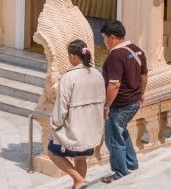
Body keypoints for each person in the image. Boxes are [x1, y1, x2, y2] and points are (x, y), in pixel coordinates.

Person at [48, 39, 105, 189]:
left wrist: (55, 124)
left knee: (52, 152)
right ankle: (78, 184)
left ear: (73, 56)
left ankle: (78, 179)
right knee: (81, 158)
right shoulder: (97, 74)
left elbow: (62, 106)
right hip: (92, 127)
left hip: (74, 128)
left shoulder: (69, 77)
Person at [99, 20, 148, 184]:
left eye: (104, 38)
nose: (104, 42)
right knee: (121, 131)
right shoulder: (137, 50)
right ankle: (131, 163)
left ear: (112, 37)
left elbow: (114, 84)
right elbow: (144, 76)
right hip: (134, 101)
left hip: (120, 104)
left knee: (113, 139)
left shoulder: (116, 55)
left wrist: (106, 106)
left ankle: (120, 173)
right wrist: (141, 94)